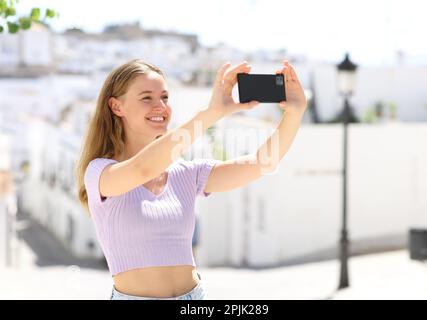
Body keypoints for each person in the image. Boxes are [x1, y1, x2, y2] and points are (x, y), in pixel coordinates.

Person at [76, 59, 307, 300]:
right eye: (147, 98)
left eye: (165, 98)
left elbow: (263, 163)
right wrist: (211, 113)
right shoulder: (100, 172)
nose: (161, 106)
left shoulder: (185, 173)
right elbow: (141, 169)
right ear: (116, 106)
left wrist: (295, 112)